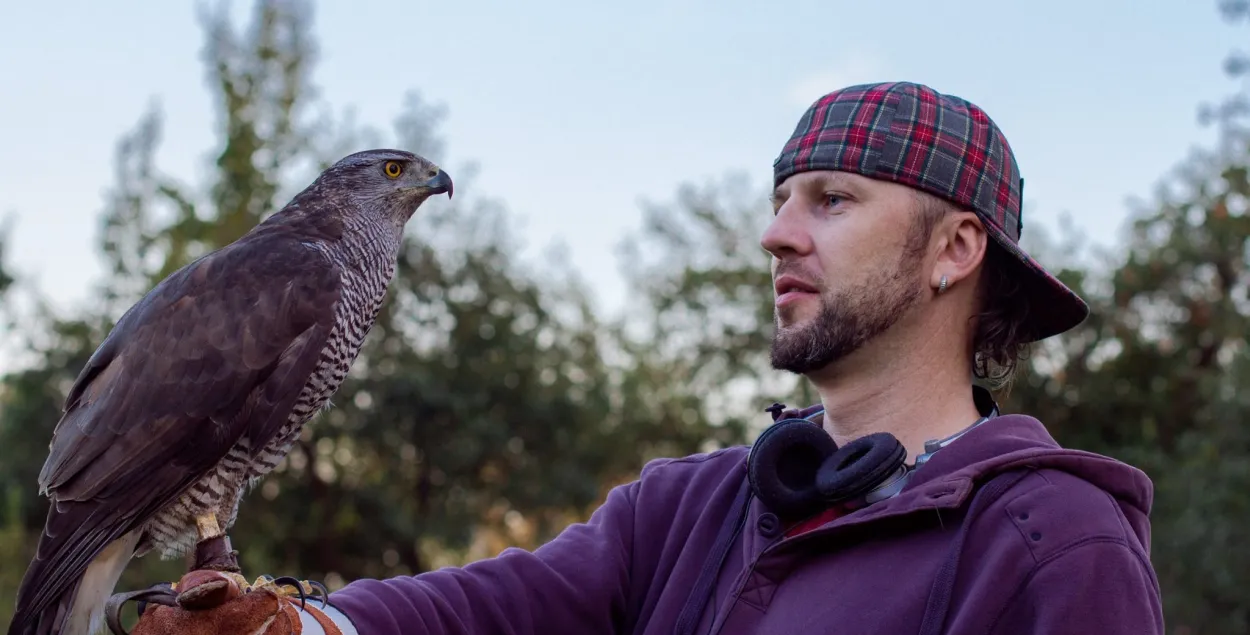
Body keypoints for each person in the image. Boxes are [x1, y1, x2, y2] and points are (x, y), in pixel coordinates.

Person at [119, 81, 1166, 635]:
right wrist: (296, 630)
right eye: (779, 201)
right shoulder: (696, 506)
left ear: (953, 250)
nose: (774, 235)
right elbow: (493, 609)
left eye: (832, 201)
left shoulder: (1052, 544)